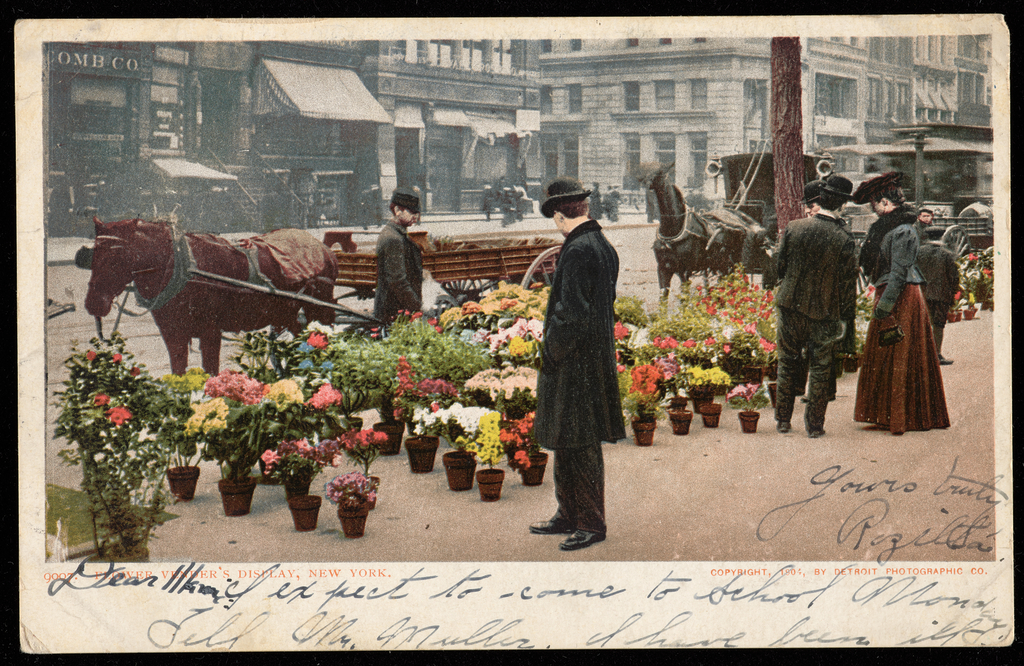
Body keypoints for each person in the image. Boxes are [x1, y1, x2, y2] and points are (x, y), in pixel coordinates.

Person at [532, 176, 625, 551]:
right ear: (582, 208)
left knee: (580, 441)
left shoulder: (577, 250)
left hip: (574, 362)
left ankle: (590, 523)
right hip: (592, 357)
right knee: (566, 437)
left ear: (558, 214)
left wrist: (550, 353)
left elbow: (571, 314)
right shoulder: (601, 245)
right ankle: (567, 514)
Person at [852, 173, 949, 435]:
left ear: (884, 202)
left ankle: (902, 417)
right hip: (892, 293)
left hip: (901, 296)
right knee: (889, 351)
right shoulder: (890, 227)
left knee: (899, 351)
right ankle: (887, 414)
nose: (873, 209)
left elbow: (899, 271)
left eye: (874, 203)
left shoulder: (904, 230)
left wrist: (884, 306)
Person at [773, 174, 859, 438]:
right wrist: (846, 321)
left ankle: (783, 421)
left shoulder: (794, 227)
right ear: (842, 205)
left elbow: (779, 268)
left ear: (819, 200)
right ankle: (815, 426)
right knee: (821, 367)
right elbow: (847, 288)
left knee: (787, 362)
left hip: (789, 306)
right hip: (824, 314)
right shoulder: (844, 238)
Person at [373, 187, 423, 324]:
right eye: (411, 212)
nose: (416, 217)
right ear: (397, 210)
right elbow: (397, 281)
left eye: (417, 213)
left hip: (394, 308)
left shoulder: (394, 233)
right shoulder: (393, 238)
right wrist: (417, 306)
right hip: (393, 310)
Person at [916, 230, 960, 366]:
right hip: (941, 294)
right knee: (939, 324)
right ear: (941, 237)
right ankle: (936, 354)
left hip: (922, 293)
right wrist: (953, 293)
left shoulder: (919, 252)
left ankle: (921, 354)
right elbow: (954, 277)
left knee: (923, 323)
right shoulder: (947, 254)